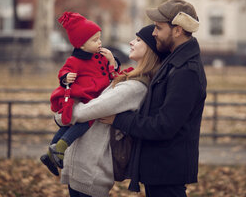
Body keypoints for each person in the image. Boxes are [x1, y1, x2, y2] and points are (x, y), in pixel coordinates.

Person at [100, 0, 207, 197]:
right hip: (160, 168)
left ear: (177, 30)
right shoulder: (174, 61)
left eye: (158, 27)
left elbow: (164, 126)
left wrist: (119, 119)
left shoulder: (186, 71)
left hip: (167, 170)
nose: (154, 32)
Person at [61, 25, 167, 197]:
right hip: (81, 167)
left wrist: (61, 113)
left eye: (139, 40)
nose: (132, 42)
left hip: (92, 172)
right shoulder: (129, 78)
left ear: (151, 50)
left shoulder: (135, 87)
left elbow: (82, 113)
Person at [40, 12, 119, 176]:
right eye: (94, 40)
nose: (99, 42)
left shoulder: (101, 57)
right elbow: (64, 71)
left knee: (70, 124)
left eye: (99, 38)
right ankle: (61, 147)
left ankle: (50, 154)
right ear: (81, 45)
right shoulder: (75, 60)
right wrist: (65, 78)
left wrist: (112, 62)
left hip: (95, 97)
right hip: (82, 98)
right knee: (84, 121)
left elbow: (112, 77)